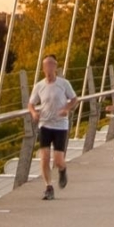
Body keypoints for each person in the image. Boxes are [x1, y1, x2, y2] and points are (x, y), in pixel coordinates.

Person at [28, 54, 78, 201]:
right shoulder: (39, 86)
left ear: (55, 67)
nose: (48, 67)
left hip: (60, 125)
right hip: (45, 124)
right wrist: (33, 113)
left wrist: (66, 109)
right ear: (43, 68)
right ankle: (48, 187)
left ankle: (62, 170)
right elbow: (31, 103)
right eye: (46, 65)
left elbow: (74, 99)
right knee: (44, 157)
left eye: (51, 64)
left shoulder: (63, 84)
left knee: (58, 161)